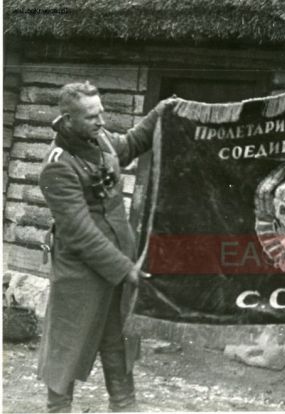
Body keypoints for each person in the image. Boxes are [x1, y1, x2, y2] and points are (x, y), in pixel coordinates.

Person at [37, 81, 175, 412]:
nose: (101, 121)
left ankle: (124, 406)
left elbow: (131, 143)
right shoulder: (57, 165)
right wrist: (127, 270)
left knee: (118, 343)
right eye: (91, 116)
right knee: (66, 349)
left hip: (117, 266)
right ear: (68, 119)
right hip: (80, 275)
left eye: (101, 113)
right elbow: (80, 233)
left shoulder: (99, 139)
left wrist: (160, 112)